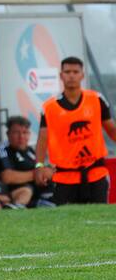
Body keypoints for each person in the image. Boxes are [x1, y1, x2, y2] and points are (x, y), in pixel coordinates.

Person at [35, 57, 116, 205]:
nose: (71, 75)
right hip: (64, 177)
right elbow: (42, 139)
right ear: (61, 76)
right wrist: (39, 166)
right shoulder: (49, 107)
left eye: (75, 72)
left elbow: (111, 130)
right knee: (68, 225)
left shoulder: (96, 99)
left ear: (82, 75)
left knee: (99, 220)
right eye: (67, 72)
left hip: (95, 173)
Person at [0, 116, 53, 207]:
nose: (21, 137)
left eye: (25, 132)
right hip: (18, 192)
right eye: (16, 133)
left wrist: (47, 171)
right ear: (8, 134)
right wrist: (38, 173)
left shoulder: (30, 151)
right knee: (26, 191)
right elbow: (7, 177)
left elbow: (43, 169)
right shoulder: (3, 150)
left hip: (40, 192)